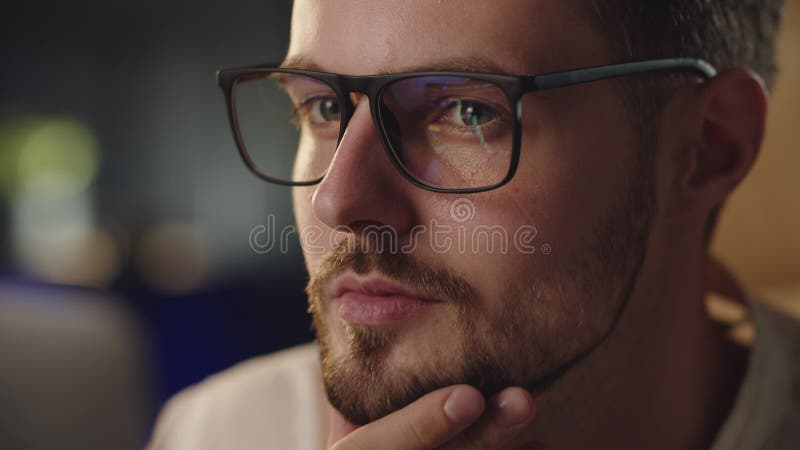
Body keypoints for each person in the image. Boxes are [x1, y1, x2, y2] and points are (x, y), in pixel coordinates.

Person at [148, 0, 800, 449]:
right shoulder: (222, 429)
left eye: (465, 112)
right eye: (322, 106)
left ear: (708, 148)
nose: (338, 202)